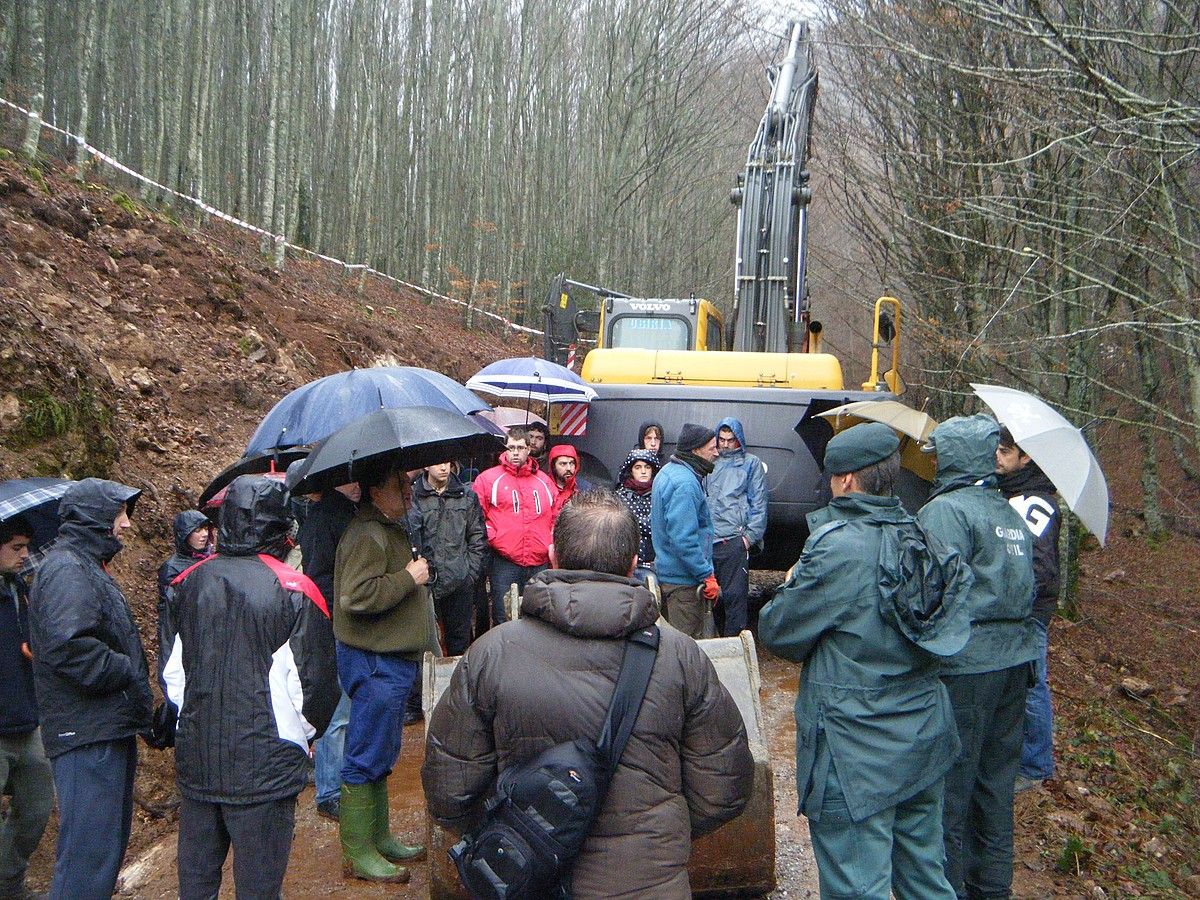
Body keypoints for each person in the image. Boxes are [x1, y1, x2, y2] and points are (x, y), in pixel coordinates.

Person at [422, 490, 754, 898]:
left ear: (552, 555)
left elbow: (449, 791)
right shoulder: (681, 656)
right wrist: (660, 834)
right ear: (634, 564)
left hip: (531, 879)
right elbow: (724, 787)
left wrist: (519, 832)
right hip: (649, 882)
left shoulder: (491, 653)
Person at [759, 423, 972, 900]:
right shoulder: (925, 537)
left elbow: (780, 632)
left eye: (833, 476)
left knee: (858, 886)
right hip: (923, 739)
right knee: (925, 881)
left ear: (848, 480)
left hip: (855, 751)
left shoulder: (838, 548)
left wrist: (794, 581)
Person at [164, 476, 339, 900]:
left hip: (199, 757)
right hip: (266, 762)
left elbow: (173, 675)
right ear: (283, 530)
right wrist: (302, 736)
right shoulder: (296, 589)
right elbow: (314, 684)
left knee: (197, 885)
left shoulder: (185, 583)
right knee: (260, 888)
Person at [917, 415, 1037, 899]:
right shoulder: (1009, 512)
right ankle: (992, 889)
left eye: (940, 454)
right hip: (1015, 665)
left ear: (954, 457)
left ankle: (947, 889)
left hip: (965, 668)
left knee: (950, 791)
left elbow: (929, 594)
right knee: (995, 787)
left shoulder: (945, 512)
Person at [28, 478, 152, 900]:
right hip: (85, 735)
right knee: (87, 857)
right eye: (119, 513)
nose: (127, 525)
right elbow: (70, 648)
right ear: (94, 518)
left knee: (100, 855)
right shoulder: (67, 568)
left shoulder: (81, 565)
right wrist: (127, 672)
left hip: (100, 728)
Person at [333, 461, 436, 883]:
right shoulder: (367, 534)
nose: (410, 490)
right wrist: (408, 578)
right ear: (377, 490)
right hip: (375, 661)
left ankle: (379, 837)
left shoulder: (387, 528)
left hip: (389, 660)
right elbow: (355, 597)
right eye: (401, 483)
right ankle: (358, 851)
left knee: (382, 750)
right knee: (364, 754)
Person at [995, 426, 1061, 791]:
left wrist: (1018, 606)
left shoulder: (1036, 502)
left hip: (1028, 611)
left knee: (1032, 685)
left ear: (1026, 457)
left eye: (1005, 452)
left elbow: (1040, 566)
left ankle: (1035, 766)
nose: (997, 458)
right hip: (1014, 606)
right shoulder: (1010, 492)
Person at [296, 483, 359, 821]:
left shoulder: (345, 512)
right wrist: (344, 606)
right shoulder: (326, 518)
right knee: (339, 709)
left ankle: (339, 782)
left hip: (343, 618)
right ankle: (329, 789)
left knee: (348, 706)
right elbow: (318, 576)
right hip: (334, 621)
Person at [0, 516, 53, 900]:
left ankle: (8, 883)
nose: (25, 555)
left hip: (25, 720)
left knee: (35, 809)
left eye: (26, 547)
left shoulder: (19, 590)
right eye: (16, 548)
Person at [472, 427, 557, 626]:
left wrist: (549, 541)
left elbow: (555, 516)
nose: (515, 452)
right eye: (511, 447)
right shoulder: (488, 479)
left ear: (529, 449)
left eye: (520, 447)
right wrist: (496, 538)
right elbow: (476, 518)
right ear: (505, 449)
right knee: (504, 617)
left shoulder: (544, 482)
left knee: (538, 618)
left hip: (538, 560)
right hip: (504, 561)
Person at [407, 460, 487, 657]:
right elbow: (410, 536)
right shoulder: (413, 495)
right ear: (425, 466)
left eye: (447, 463)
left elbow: (478, 536)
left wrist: (470, 574)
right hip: (425, 582)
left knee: (458, 645)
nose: (444, 468)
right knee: (426, 644)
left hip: (459, 580)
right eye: (437, 463)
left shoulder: (466, 495)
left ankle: (457, 686)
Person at [651, 423, 720, 638]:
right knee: (688, 652)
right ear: (696, 450)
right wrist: (706, 574)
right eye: (712, 448)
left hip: (671, 578)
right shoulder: (686, 484)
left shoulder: (669, 472)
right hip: (684, 585)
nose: (717, 453)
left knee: (673, 644)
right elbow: (683, 539)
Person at [706, 417, 768, 637]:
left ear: (738, 440)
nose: (725, 444)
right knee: (706, 597)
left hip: (734, 538)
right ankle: (709, 646)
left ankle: (734, 644)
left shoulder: (751, 464)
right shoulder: (709, 461)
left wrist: (748, 538)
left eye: (730, 440)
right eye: (721, 439)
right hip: (708, 539)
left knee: (736, 598)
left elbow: (759, 503)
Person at [154, 510, 212, 737]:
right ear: (183, 534)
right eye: (196, 530)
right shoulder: (172, 568)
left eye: (205, 529)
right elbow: (169, 616)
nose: (203, 535)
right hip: (183, 636)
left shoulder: (212, 560)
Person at [615, 449, 660, 582]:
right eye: (638, 467)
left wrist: (632, 520)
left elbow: (656, 526)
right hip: (626, 564)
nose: (643, 471)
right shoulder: (619, 495)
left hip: (654, 563)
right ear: (630, 471)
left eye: (647, 467)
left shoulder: (659, 494)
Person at [547, 444, 592, 519]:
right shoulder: (544, 487)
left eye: (572, 463)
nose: (568, 468)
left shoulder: (585, 489)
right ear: (553, 466)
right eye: (563, 464)